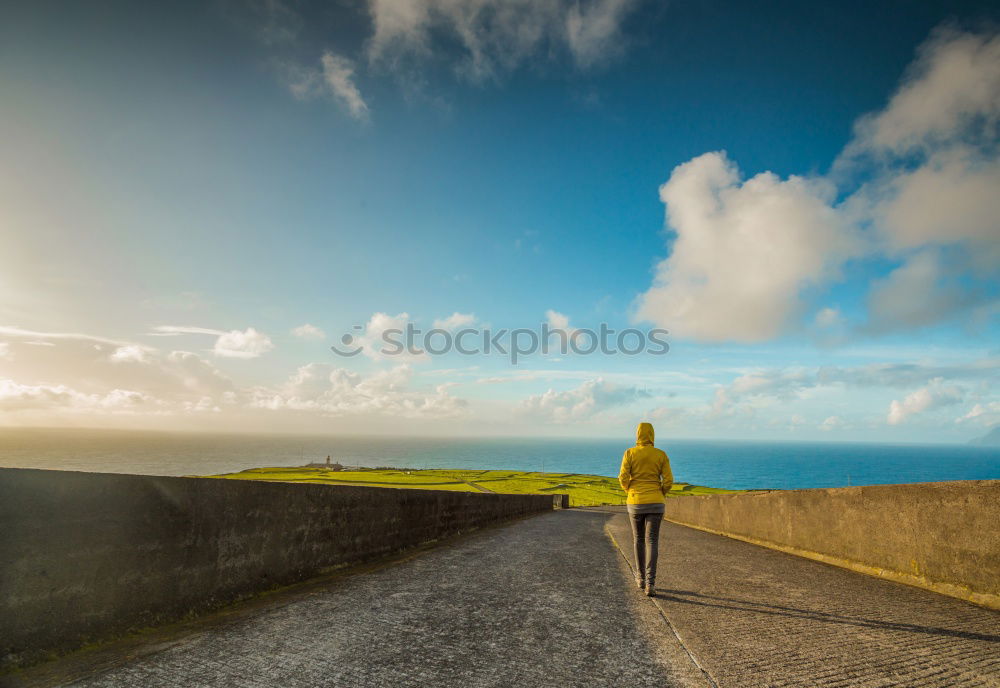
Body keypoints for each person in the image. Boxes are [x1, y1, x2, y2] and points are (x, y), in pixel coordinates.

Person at [618, 422, 673, 597]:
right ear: (652, 435)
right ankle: (651, 584)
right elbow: (669, 480)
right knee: (652, 541)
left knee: (638, 540)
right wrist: (660, 493)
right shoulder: (660, 455)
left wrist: (629, 490)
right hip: (656, 502)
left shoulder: (630, 453)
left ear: (638, 435)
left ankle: (640, 578)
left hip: (635, 501)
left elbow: (623, 477)